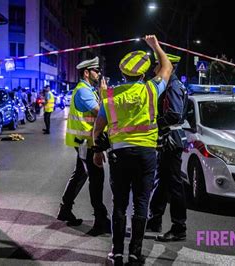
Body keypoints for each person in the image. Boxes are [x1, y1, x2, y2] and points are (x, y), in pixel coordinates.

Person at [93, 35, 172, 265]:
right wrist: (155, 46)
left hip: (119, 154)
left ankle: (117, 252)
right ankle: (136, 253)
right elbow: (166, 67)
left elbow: (98, 129)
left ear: (123, 73)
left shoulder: (110, 96)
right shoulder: (150, 90)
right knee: (141, 203)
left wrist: (97, 152)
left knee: (119, 203)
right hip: (146, 154)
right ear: (142, 74)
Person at [57, 56, 110, 236]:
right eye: (96, 71)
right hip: (87, 142)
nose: (99, 73)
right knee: (97, 179)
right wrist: (104, 94)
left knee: (80, 174)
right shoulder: (84, 91)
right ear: (87, 73)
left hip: (85, 141)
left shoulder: (87, 89)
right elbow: (101, 112)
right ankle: (100, 221)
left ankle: (65, 209)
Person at [146, 53, 189, 242]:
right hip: (168, 139)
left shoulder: (173, 86)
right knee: (162, 182)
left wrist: (154, 124)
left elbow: (174, 114)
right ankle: (154, 221)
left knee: (173, 184)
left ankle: (179, 227)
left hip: (171, 139)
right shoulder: (170, 84)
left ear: (166, 65)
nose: (154, 69)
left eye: (157, 65)